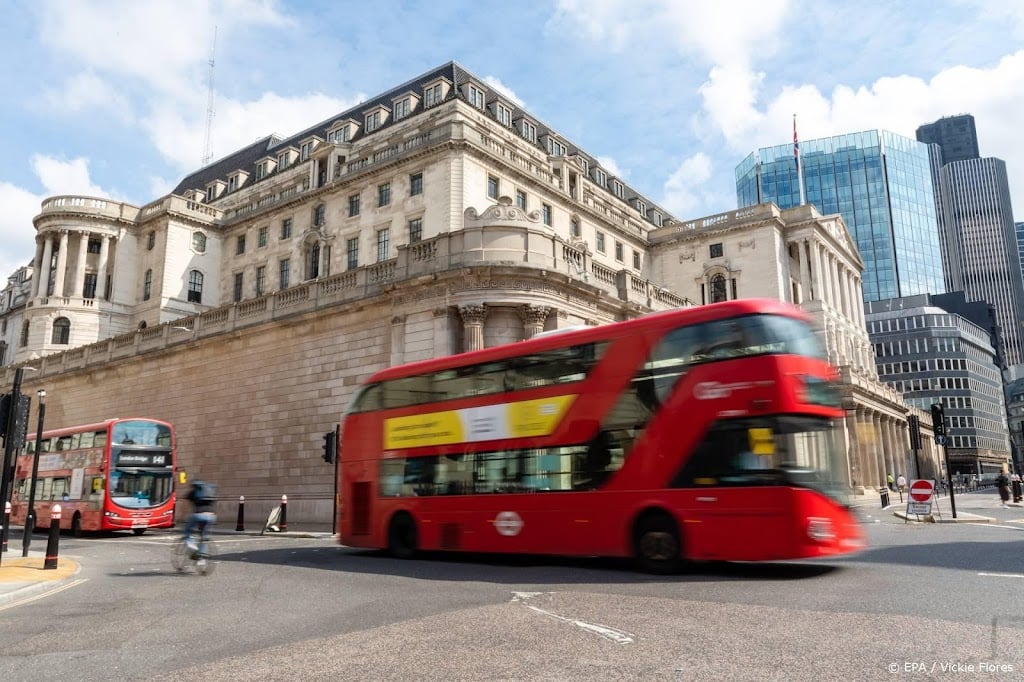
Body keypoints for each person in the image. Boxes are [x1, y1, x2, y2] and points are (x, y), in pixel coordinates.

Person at [183, 479, 218, 558]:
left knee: (187, 530)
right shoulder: (209, 492)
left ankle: (192, 545)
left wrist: (185, 517)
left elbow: (184, 507)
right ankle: (201, 556)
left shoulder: (193, 492)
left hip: (198, 515)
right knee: (204, 536)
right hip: (211, 516)